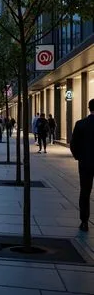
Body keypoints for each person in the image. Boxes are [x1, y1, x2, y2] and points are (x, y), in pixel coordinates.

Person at [70, 99, 94, 232]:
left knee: (85, 191)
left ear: (88, 108)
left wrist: (79, 157)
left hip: (85, 163)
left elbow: (73, 144)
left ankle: (84, 221)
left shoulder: (80, 124)